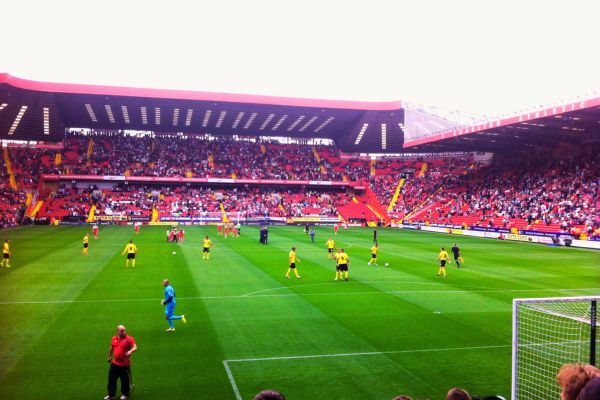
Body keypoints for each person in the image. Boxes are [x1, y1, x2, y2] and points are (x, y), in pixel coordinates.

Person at [104, 325, 137, 400]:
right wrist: (109, 356)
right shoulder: (114, 338)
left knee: (124, 380)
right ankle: (111, 395)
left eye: (124, 330)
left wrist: (130, 351)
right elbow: (111, 347)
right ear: (118, 331)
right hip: (115, 363)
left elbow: (135, 347)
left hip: (125, 364)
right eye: (121, 331)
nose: (123, 332)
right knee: (111, 379)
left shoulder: (129, 339)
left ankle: (125, 394)